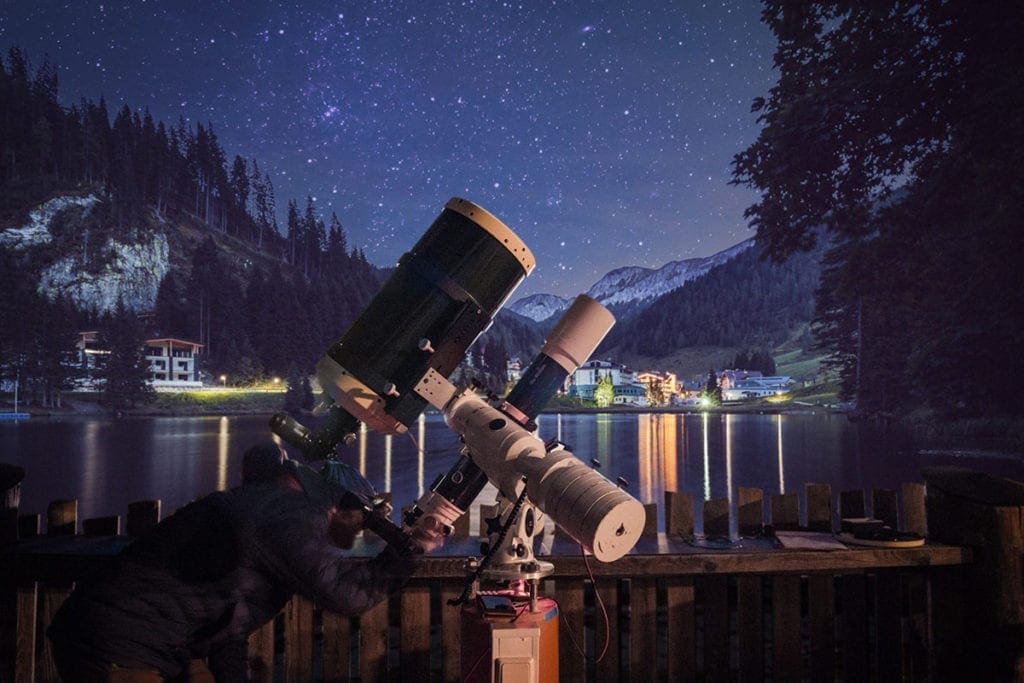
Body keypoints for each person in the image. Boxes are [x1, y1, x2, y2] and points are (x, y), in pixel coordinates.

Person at [48, 441, 437, 682]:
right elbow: (345, 595)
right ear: (339, 506)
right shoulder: (287, 515)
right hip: (126, 643)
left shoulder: (263, 511)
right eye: (361, 520)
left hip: (128, 637)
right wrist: (413, 549)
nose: (358, 533)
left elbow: (226, 625)